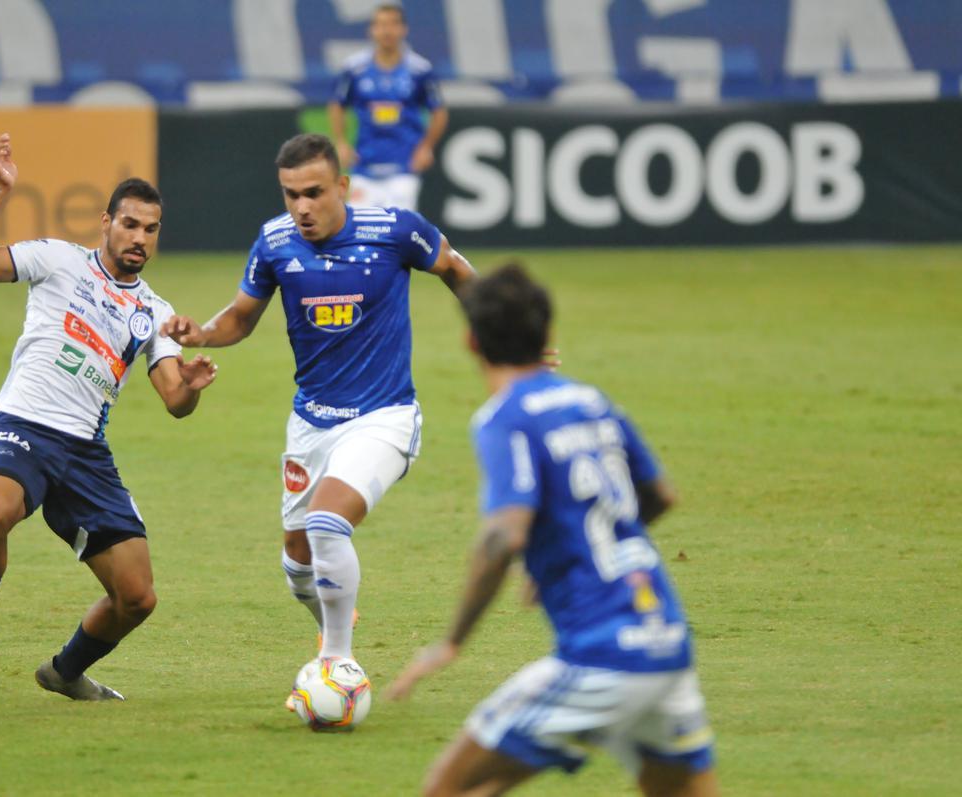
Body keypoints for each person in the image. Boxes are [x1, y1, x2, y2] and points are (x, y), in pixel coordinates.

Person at [387, 264, 719, 796]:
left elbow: (503, 536)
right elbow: (660, 495)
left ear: (471, 341)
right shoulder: (593, 402)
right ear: (548, 335)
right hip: (665, 640)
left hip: (601, 654)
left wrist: (450, 643)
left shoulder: (504, 418)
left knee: (444, 790)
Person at [162, 133, 475, 693]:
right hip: (310, 424)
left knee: (326, 524)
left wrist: (507, 333)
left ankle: (337, 666)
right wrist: (202, 333)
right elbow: (241, 316)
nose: (301, 207)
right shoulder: (275, 242)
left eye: (313, 193)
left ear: (342, 187)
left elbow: (456, 269)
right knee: (298, 560)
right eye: (290, 195)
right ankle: (335, 618)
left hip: (384, 417)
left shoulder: (395, 230)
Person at [0, 134, 217, 701]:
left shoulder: (153, 312)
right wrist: (1, 192)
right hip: (24, 424)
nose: (139, 238)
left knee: (138, 598)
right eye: (130, 224)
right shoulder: (58, 259)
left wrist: (191, 386)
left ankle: (64, 673)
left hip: (85, 452)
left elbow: (175, 404)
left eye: (150, 229)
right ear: (106, 221)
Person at [328, 2, 448, 211]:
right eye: (381, 25)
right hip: (364, 164)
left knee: (399, 229)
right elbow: (337, 104)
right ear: (371, 30)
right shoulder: (354, 69)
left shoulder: (419, 70)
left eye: (393, 24)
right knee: (360, 225)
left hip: (404, 164)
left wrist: (426, 147)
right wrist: (341, 142)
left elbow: (438, 111)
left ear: (403, 29)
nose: (386, 31)